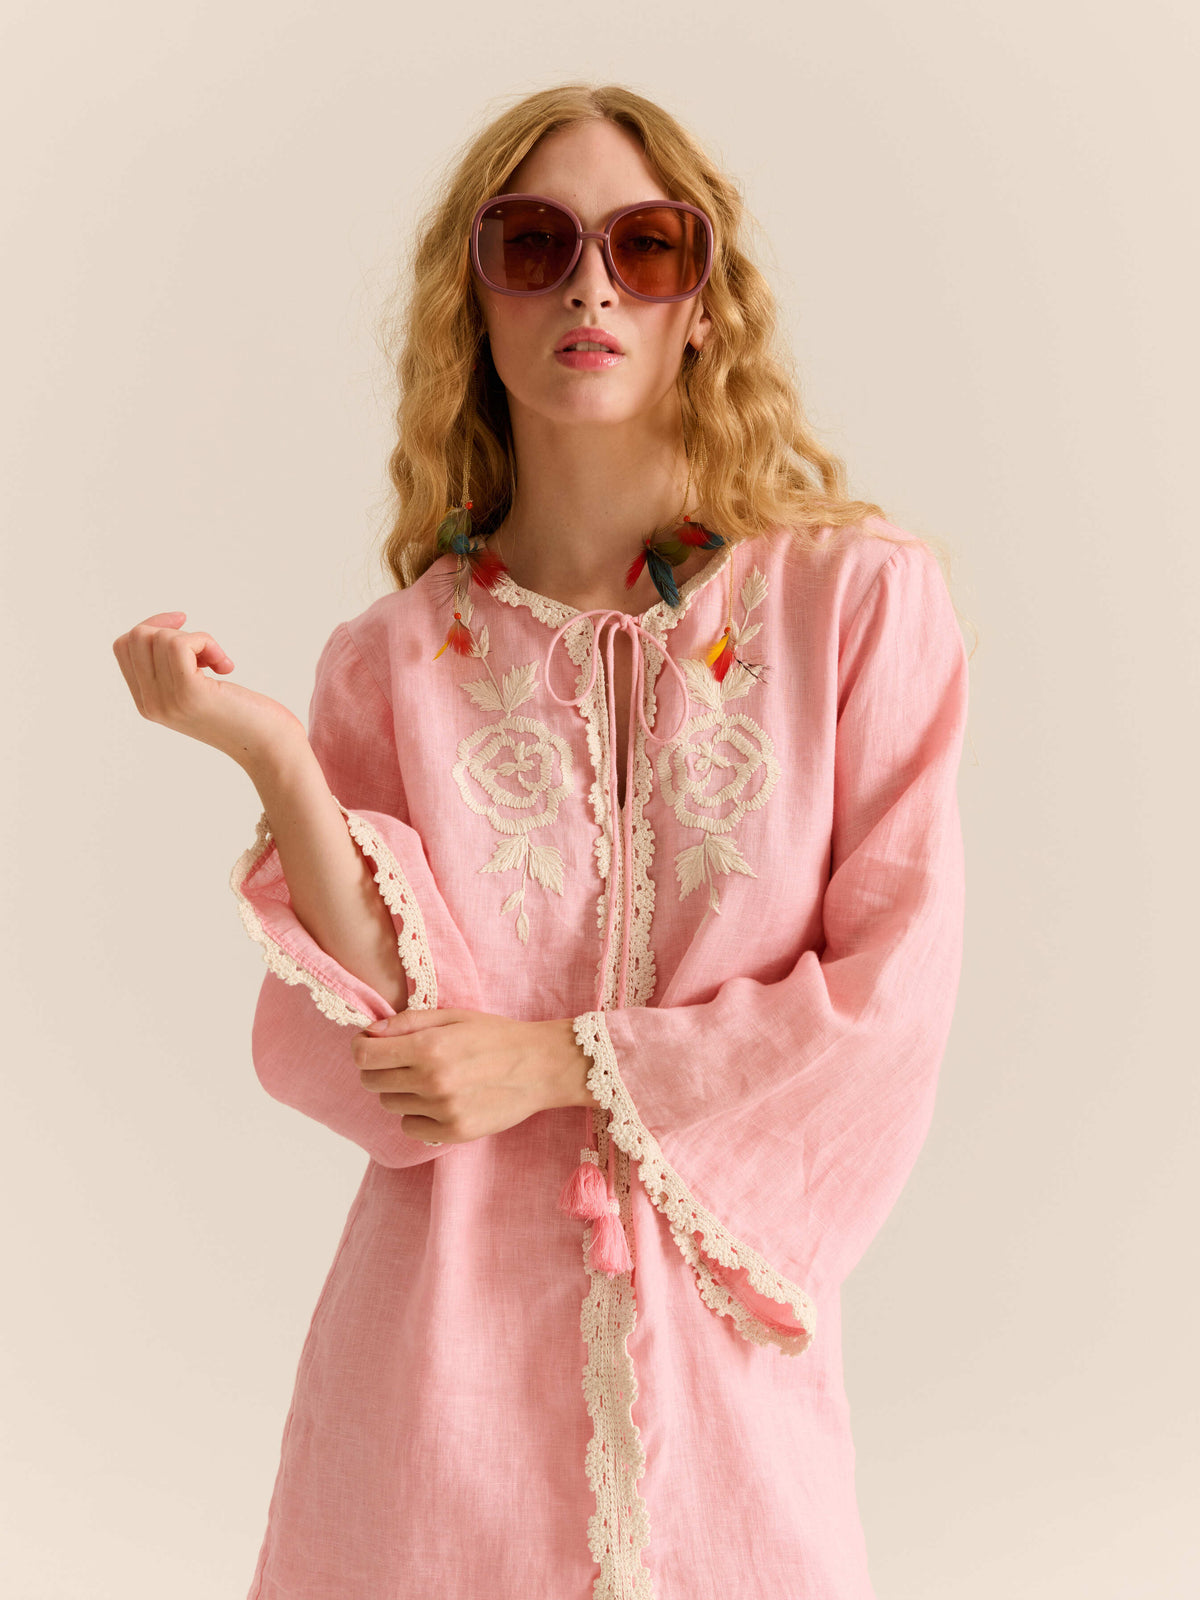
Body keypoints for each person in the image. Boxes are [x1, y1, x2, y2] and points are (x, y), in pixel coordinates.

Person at [112, 82, 969, 1600]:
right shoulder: (396, 657)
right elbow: (403, 1042)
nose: (590, 285)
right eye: (534, 245)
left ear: (704, 304)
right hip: (437, 1393)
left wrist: (559, 1062)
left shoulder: (852, 604)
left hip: (728, 1398)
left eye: (646, 246)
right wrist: (276, 757)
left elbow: (883, 1003)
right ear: (475, 301)